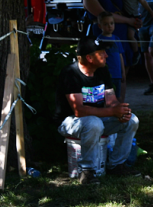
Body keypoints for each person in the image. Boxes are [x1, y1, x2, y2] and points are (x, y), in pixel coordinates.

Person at [55, 36, 140, 185]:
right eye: (102, 53)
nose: (106, 55)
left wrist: (121, 111)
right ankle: (86, 171)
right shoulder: (70, 73)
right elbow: (79, 111)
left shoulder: (102, 71)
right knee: (94, 123)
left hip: (97, 120)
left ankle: (117, 165)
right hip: (70, 122)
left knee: (132, 120)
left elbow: (111, 100)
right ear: (89, 58)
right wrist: (113, 112)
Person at [81, 0, 141, 70]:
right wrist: (128, 21)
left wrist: (136, 19)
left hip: (124, 36)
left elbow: (130, 5)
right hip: (106, 38)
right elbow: (103, 15)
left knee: (124, 71)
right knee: (110, 71)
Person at [96, 12, 126, 102]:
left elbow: (120, 56)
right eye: (106, 24)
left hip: (117, 74)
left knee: (118, 96)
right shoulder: (99, 40)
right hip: (107, 74)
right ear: (100, 26)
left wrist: (123, 72)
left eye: (111, 23)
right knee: (107, 97)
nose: (109, 26)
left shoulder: (116, 39)